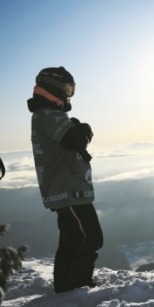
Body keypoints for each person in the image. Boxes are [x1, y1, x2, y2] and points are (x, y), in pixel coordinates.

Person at [27, 66, 103, 293]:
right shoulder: (48, 115)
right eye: (68, 89)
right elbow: (74, 140)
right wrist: (85, 129)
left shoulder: (50, 115)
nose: (70, 95)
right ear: (55, 87)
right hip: (67, 191)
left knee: (72, 239)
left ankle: (65, 288)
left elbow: (71, 140)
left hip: (69, 190)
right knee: (90, 238)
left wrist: (78, 129)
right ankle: (78, 287)